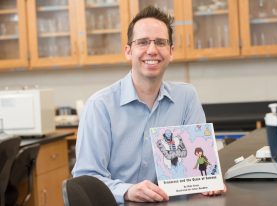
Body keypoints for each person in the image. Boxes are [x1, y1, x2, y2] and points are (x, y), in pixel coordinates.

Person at [72, 5, 225, 204]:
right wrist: (127, 191)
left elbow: (193, 169)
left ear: (171, 52)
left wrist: (208, 182)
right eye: (143, 42)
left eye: (160, 42)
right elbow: (86, 179)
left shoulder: (186, 97)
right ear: (128, 51)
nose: (152, 50)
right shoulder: (99, 106)